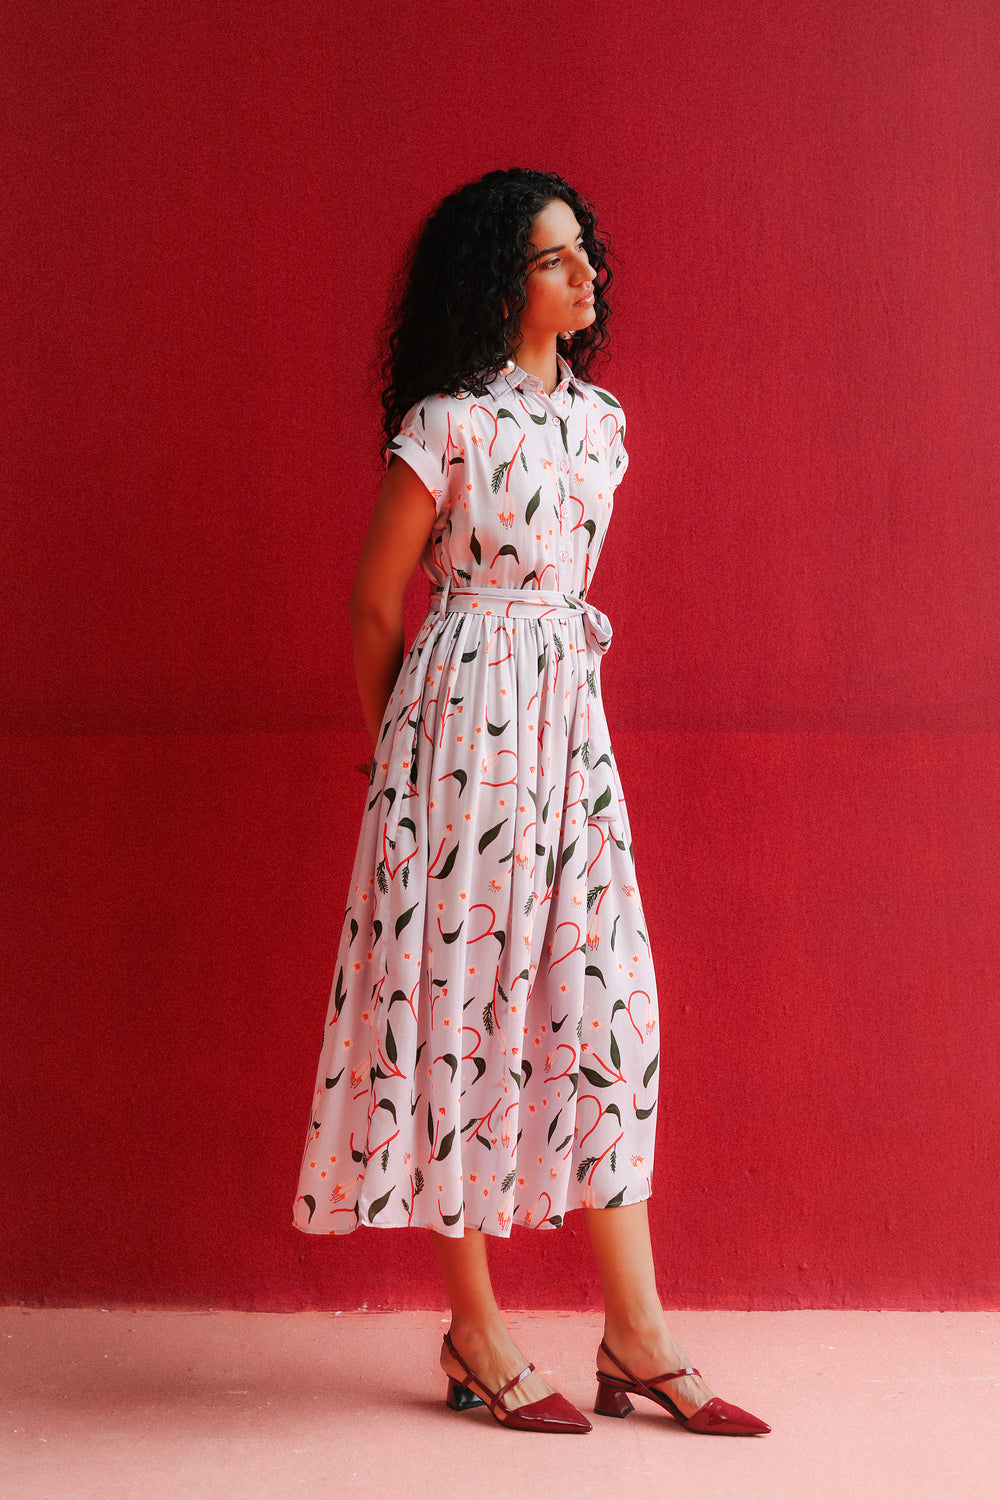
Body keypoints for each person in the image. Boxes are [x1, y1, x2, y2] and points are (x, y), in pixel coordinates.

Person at [293, 168, 769, 1437]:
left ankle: (635, 1331)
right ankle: (476, 1327)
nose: (586, 274)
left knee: (602, 1007)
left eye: (585, 253)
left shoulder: (601, 422)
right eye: (558, 258)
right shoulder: (446, 423)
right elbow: (374, 605)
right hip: (457, 736)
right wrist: (400, 768)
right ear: (504, 280)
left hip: (569, 733)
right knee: (458, 1006)